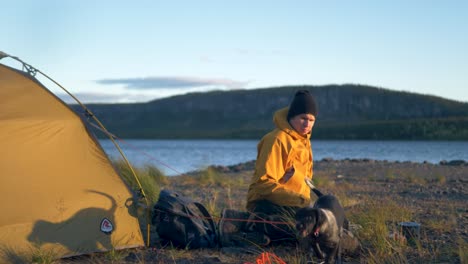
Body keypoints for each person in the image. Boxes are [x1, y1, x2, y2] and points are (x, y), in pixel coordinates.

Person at [219, 90, 318, 247]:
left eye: (311, 120)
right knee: (301, 233)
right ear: (292, 117)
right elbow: (263, 184)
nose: (307, 124)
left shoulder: (304, 142)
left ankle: (260, 232)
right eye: (303, 118)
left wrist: (306, 204)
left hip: (294, 205)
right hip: (265, 203)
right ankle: (241, 224)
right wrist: (301, 202)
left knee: (317, 227)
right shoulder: (276, 140)